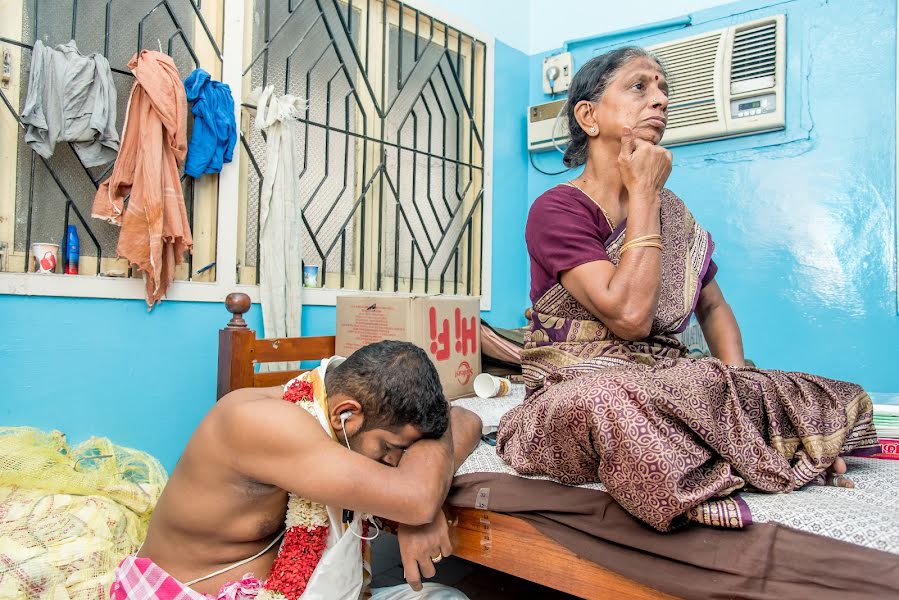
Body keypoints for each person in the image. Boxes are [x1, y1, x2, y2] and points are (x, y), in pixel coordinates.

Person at [496, 47, 880, 533]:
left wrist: (739, 388)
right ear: (588, 116)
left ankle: (732, 442)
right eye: (639, 87)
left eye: (663, 90)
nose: (659, 100)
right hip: (574, 391)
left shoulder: (672, 213)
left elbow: (714, 307)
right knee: (613, 398)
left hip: (670, 381)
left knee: (830, 393)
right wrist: (644, 195)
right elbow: (629, 316)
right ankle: (738, 460)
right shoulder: (558, 210)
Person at [110, 340, 482, 599]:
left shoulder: (330, 411)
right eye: (390, 449)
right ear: (345, 414)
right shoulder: (263, 423)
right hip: (197, 593)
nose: (396, 464)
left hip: (306, 588)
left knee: (446, 597)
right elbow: (416, 497)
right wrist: (419, 508)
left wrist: (421, 508)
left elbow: (465, 419)